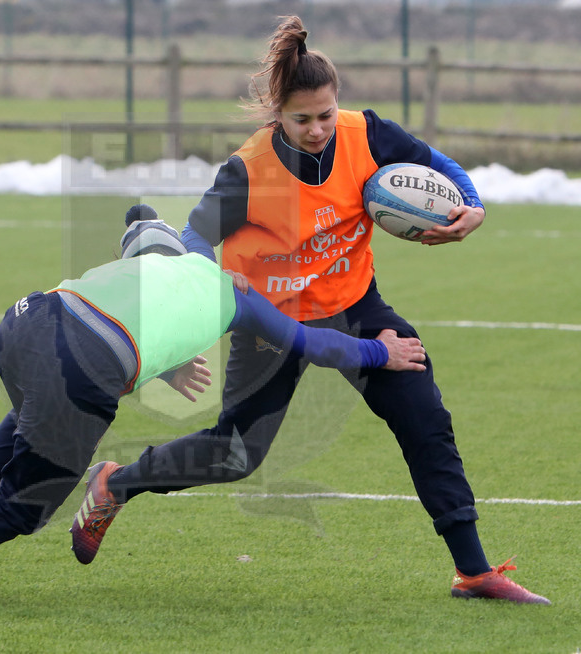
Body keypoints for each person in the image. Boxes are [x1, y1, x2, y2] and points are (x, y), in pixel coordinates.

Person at [69, 16, 551, 605]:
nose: (320, 128)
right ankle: (119, 483)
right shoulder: (247, 171)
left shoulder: (367, 133)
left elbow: (437, 163)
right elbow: (194, 239)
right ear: (278, 114)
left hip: (355, 305)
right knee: (235, 455)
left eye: (327, 114)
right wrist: (206, 300)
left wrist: (471, 205)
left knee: (424, 418)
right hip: (270, 323)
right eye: (303, 119)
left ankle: (473, 572)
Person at [0, 205, 426, 605]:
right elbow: (312, 342)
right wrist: (378, 351)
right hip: (81, 365)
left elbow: (142, 231)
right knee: (25, 508)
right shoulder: (234, 294)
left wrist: (164, 359)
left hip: (24, 321)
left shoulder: (141, 265)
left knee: (27, 419)